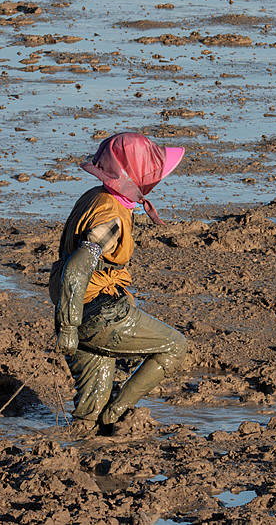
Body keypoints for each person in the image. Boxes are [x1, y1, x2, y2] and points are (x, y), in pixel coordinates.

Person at [49, 132, 188, 435]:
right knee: (176, 347)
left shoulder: (95, 196)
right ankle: (116, 415)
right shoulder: (111, 216)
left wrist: (68, 322)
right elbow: (77, 268)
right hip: (95, 312)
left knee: (88, 411)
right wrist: (69, 328)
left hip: (74, 304)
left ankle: (85, 439)